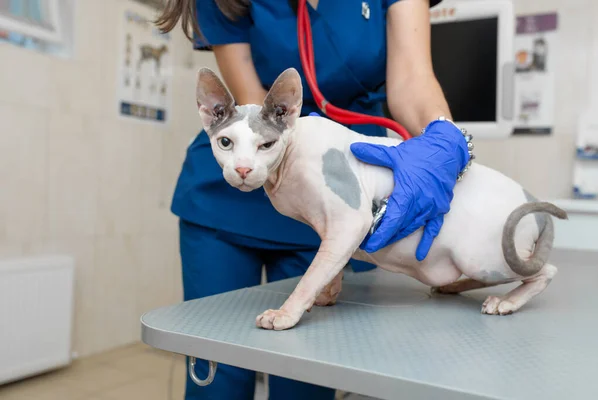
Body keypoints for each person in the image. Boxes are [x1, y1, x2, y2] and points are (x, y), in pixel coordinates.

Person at [156, 0, 470, 399]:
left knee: (306, 378)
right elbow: (254, 115)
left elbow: (411, 80)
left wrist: (441, 139)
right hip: (234, 194)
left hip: (336, 195)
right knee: (217, 375)